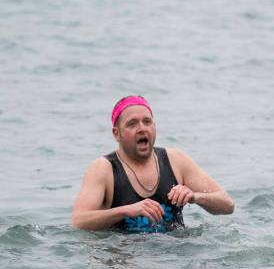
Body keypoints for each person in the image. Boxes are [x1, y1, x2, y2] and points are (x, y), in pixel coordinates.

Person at [71, 96, 234, 233]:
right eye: (132, 124)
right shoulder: (103, 169)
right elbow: (78, 221)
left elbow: (227, 205)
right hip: (126, 259)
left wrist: (194, 197)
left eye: (147, 122)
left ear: (154, 126)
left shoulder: (176, 160)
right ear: (116, 133)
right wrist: (126, 210)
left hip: (175, 256)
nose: (142, 129)